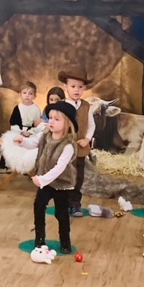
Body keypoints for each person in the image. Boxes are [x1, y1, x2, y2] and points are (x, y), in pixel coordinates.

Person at [15, 101, 78, 254]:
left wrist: (42, 180)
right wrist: (22, 141)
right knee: (39, 206)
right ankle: (40, 239)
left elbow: (59, 168)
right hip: (46, 183)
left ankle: (65, 242)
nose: (51, 122)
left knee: (61, 213)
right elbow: (33, 143)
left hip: (62, 184)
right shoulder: (45, 135)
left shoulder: (68, 145)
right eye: (50, 118)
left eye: (57, 119)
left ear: (67, 123)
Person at [58, 67, 94, 217]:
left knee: (78, 178)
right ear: (65, 87)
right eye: (73, 86)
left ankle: (75, 204)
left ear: (84, 88)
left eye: (80, 87)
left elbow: (91, 125)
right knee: (65, 176)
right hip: (65, 149)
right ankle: (63, 203)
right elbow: (56, 125)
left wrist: (87, 139)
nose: (76, 90)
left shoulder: (86, 106)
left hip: (80, 149)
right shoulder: (61, 106)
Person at [0, 81, 41, 173]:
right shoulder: (18, 108)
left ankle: (26, 167)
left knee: (29, 144)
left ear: (35, 96)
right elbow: (14, 123)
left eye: (30, 94)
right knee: (7, 141)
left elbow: (38, 125)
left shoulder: (36, 109)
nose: (27, 96)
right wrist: (20, 132)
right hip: (17, 131)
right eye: (24, 93)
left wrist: (29, 132)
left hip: (31, 133)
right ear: (20, 94)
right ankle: (7, 165)